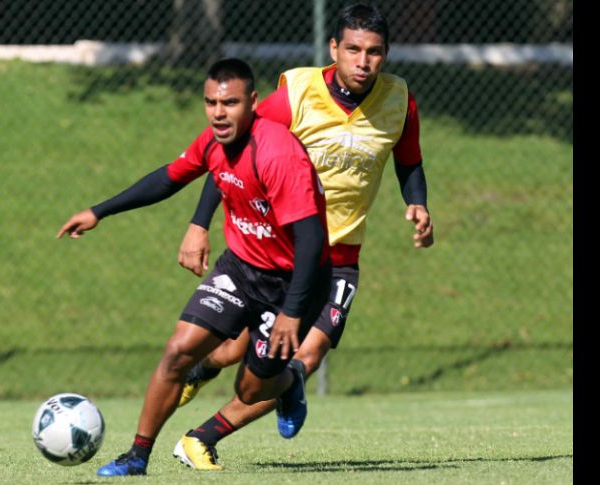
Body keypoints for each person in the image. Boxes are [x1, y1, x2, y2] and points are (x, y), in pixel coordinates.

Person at [172, 3, 435, 470]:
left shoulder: (400, 100)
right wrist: (198, 223)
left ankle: (201, 438)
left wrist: (417, 202)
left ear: (386, 54)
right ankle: (206, 366)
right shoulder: (297, 92)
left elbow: (408, 160)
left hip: (341, 255)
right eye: (353, 48)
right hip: (281, 251)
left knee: (302, 357)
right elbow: (230, 149)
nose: (363, 61)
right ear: (334, 48)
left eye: (374, 52)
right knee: (242, 347)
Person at [56, 58, 332, 477]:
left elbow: (312, 242)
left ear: (253, 102)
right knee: (177, 351)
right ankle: (137, 457)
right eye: (211, 103)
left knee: (252, 387)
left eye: (230, 103)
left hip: (294, 282)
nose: (219, 113)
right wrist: (100, 211)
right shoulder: (214, 142)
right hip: (241, 268)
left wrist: (292, 312)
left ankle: (289, 382)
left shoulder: (278, 154)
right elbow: (168, 178)